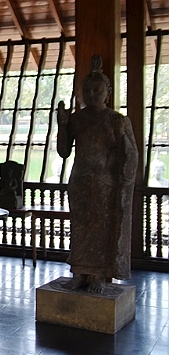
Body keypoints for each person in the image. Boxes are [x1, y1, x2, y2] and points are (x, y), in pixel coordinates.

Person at [57, 55, 137, 294]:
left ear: (107, 92)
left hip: (105, 182)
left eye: (97, 90)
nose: (92, 94)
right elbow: (63, 151)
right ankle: (80, 272)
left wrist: (122, 138)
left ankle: (99, 275)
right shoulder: (77, 119)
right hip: (80, 180)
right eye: (88, 90)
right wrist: (62, 124)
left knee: (101, 227)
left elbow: (130, 154)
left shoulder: (116, 120)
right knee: (80, 227)